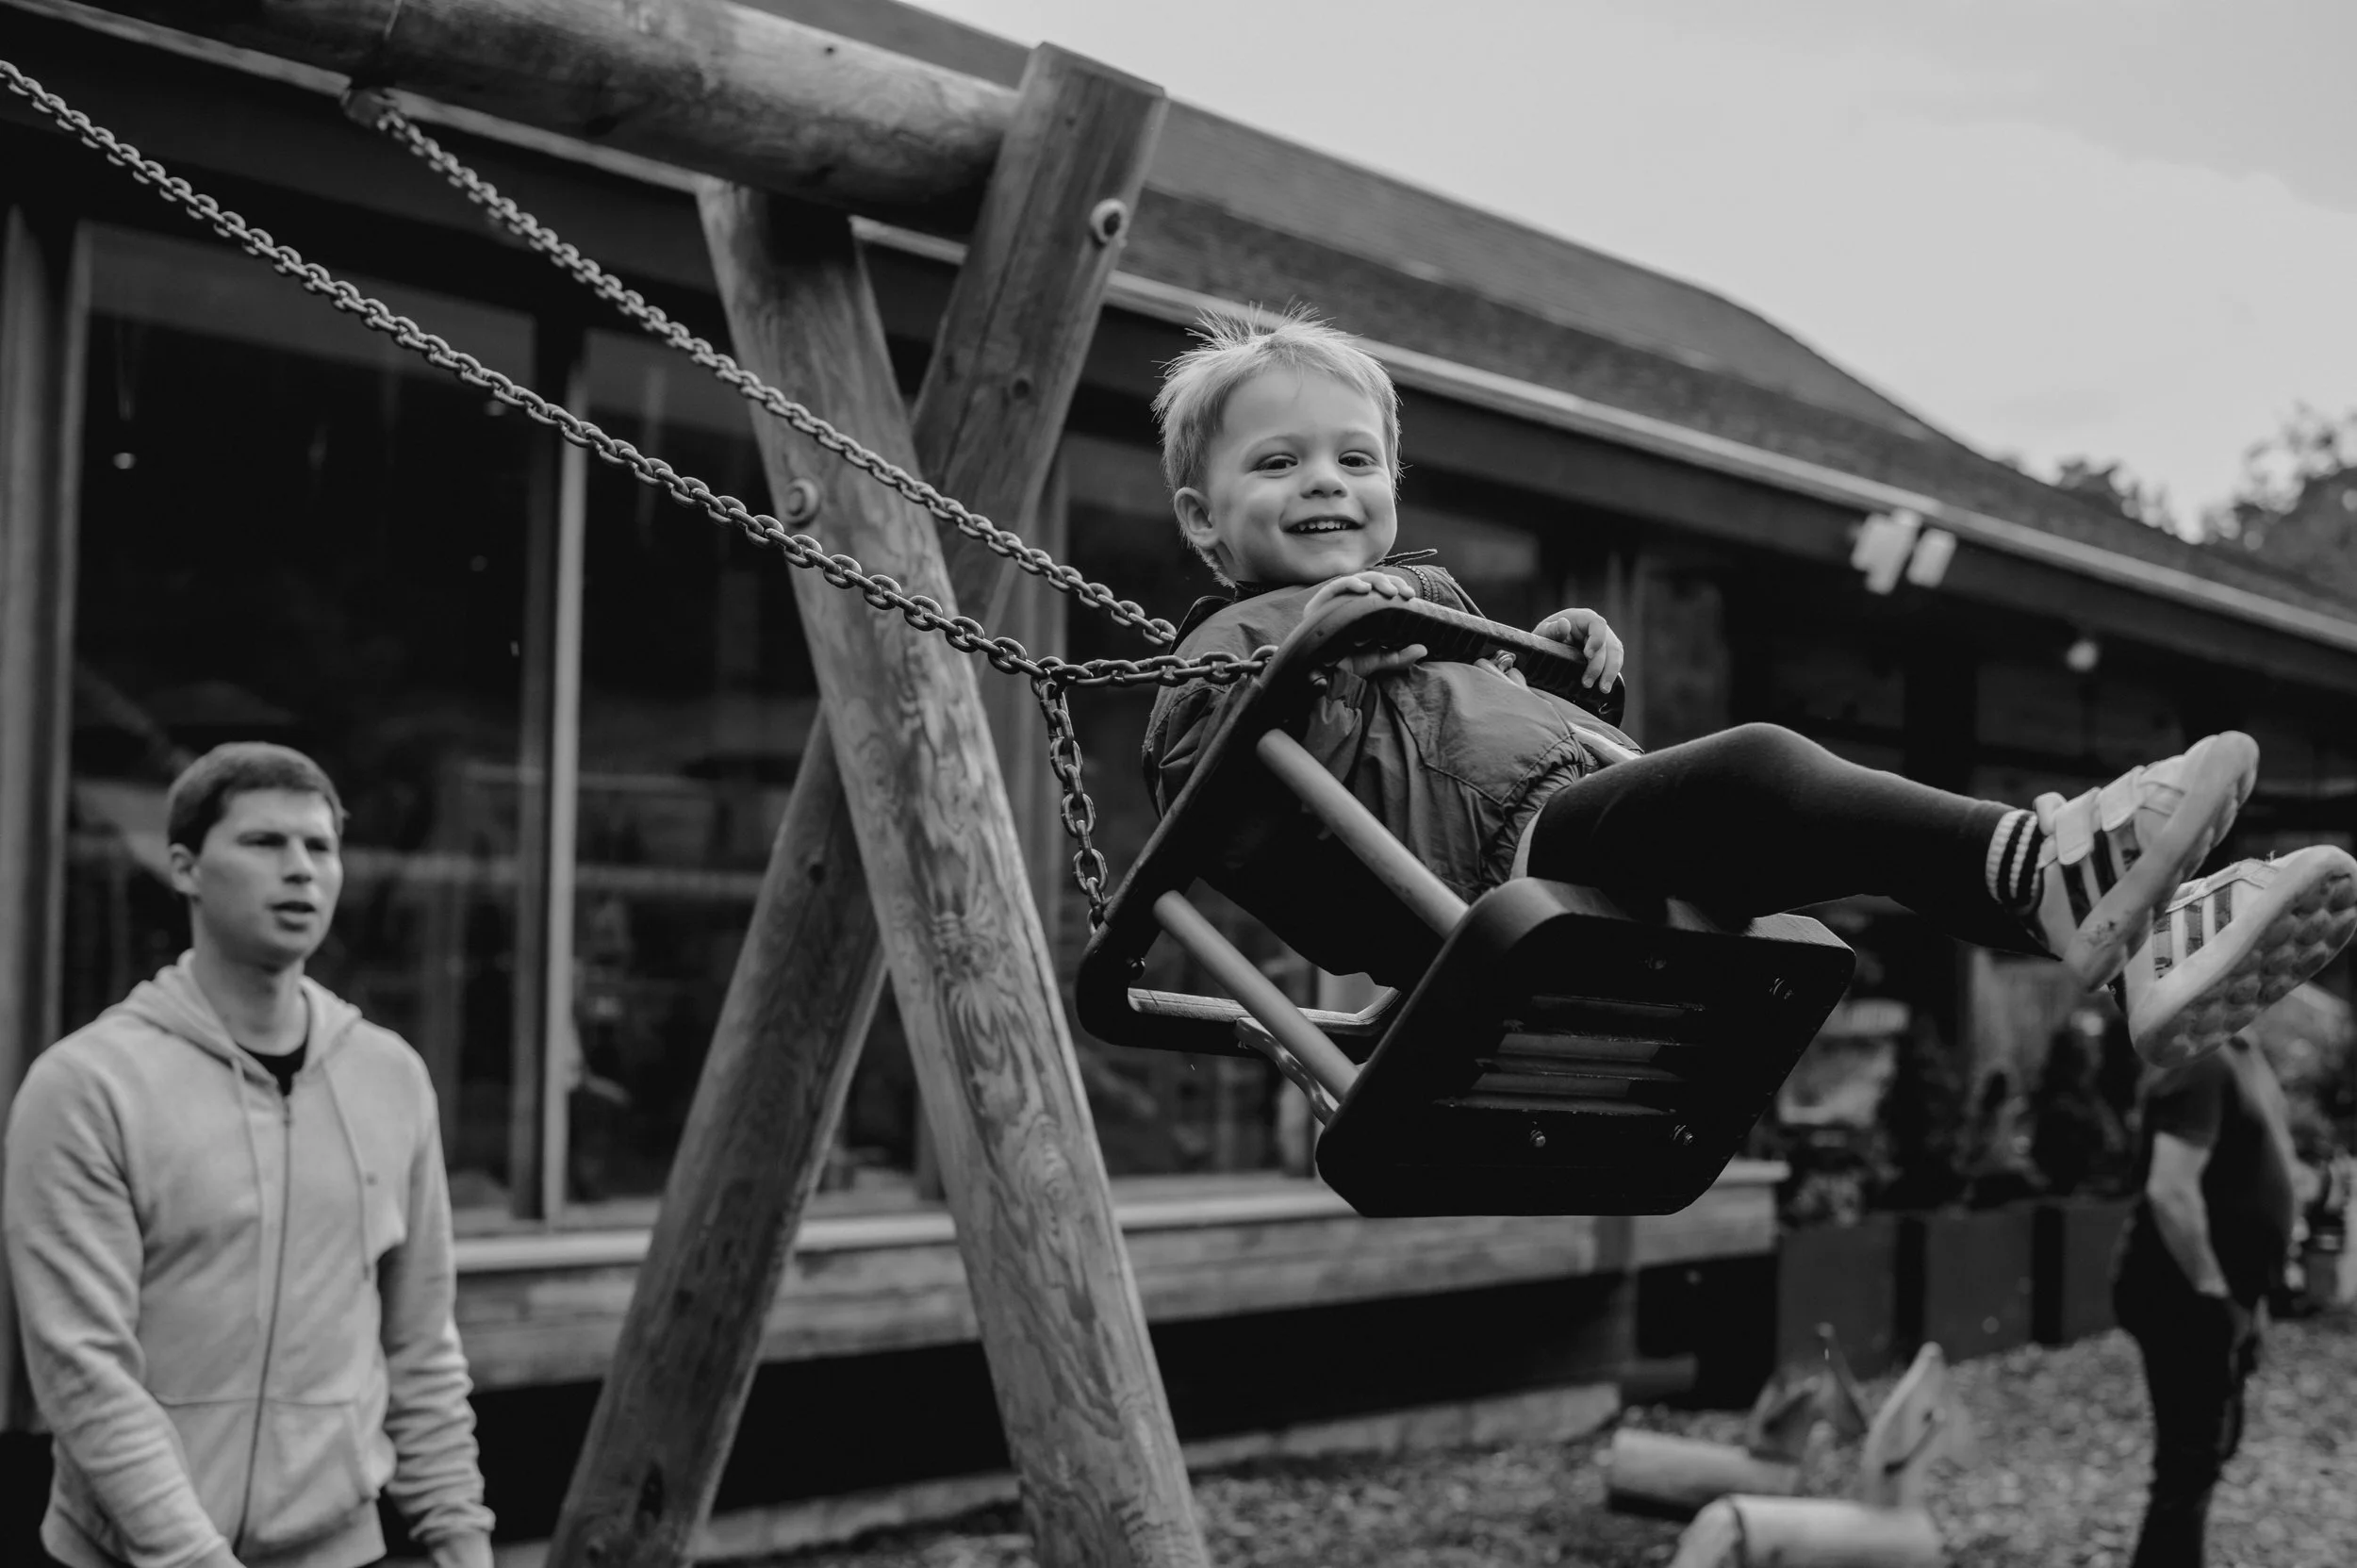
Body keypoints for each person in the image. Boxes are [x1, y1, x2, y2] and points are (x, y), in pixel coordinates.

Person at [1140, 308, 2357, 1069]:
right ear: (1202, 519)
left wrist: (1540, 657)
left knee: (1846, 836)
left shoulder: (1421, 614)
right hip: (1490, 882)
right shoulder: (1228, 652)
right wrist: (1348, 653)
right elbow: (1253, 805)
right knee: (1764, 770)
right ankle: (2052, 861)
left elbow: (1472, 728)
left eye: (1357, 458)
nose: (1327, 484)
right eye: (1279, 461)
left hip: (1553, 831)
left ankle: (2137, 936)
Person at [4, 743, 493, 1568]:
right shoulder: (88, 1086)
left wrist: (461, 1537)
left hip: (340, 1548)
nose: (301, 870)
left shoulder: (391, 1078)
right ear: (186, 868)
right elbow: (85, 1372)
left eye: (321, 847)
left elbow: (420, 1344)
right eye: (266, 844)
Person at [2109, 1031, 2299, 1567]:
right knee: (2189, 1462)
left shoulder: (2246, 1055)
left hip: (2229, 1293)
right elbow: (2171, 1191)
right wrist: (2214, 1289)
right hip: (2182, 1292)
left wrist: (2253, 1299)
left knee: (2212, 1448)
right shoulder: (2201, 1060)